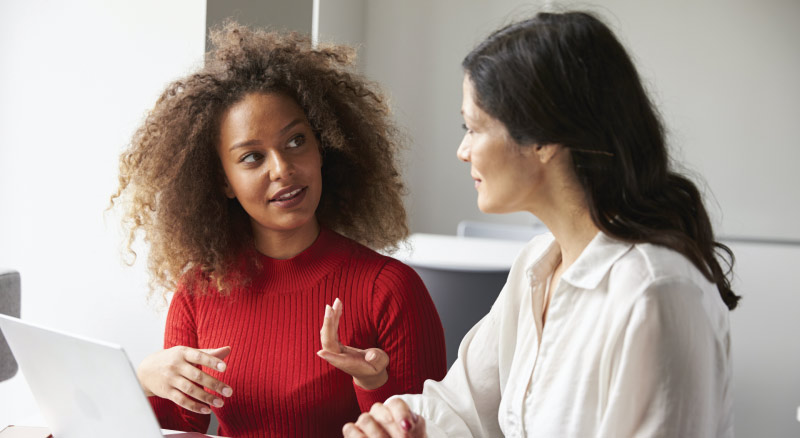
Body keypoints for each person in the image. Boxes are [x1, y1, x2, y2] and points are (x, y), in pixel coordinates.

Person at [343, 11, 739, 438]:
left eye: (473, 127)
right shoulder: (537, 266)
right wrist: (401, 425)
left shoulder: (654, 293)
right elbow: (462, 407)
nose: (462, 150)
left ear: (544, 140)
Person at [111, 22, 447, 437]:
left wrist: (373, 383)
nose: (283, 169)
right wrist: (145, 379)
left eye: (295, 141)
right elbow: (181, 430)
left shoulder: (390, 289)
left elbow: (431, 430)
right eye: (252, 157)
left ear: (322, 147)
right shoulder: (198, 292)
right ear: (222, 182)